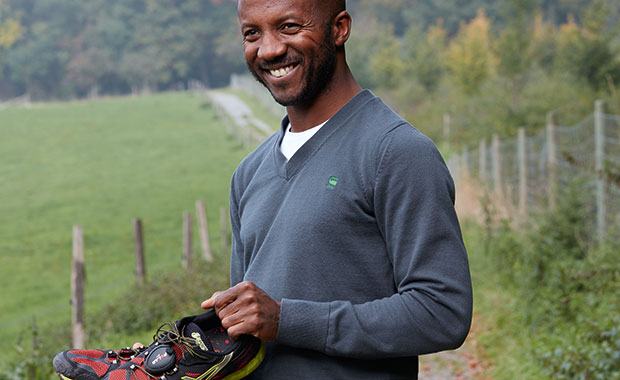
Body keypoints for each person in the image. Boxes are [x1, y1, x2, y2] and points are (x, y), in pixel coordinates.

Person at [199, 0, 473, 378]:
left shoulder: (397, 153)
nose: (270, 49)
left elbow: (443, 312)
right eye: (252, 33)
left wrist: (287, 319)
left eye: (290, 27)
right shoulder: (248, 173)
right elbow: (249, 334)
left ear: (340, 28)